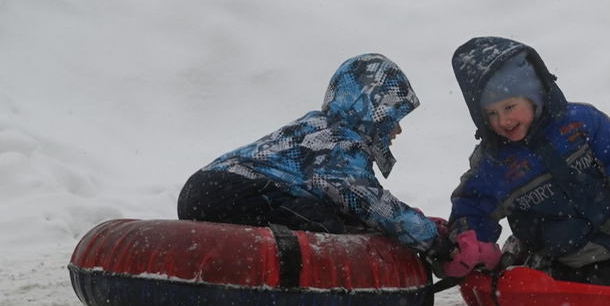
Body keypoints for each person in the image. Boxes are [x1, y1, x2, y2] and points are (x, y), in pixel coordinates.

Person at [177, 53, 452, 261]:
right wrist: (436, 243)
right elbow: (374, 206)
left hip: (202, 188)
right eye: (392, 119)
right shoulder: (340, 147)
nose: (398, 129)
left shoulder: (319, 128)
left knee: (325, 213)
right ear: (371, 113)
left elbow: (347, 200)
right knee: (324, 224)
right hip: (229, 193)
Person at [446, 36, 610, 284]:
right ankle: (527, 260)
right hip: (554, 260)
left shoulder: (581, 125)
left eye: (510, 107)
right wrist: (472, 246)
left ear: (533, 96)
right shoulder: (495, 163)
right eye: (491, 113)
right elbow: (472, 205)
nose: (503, 121)